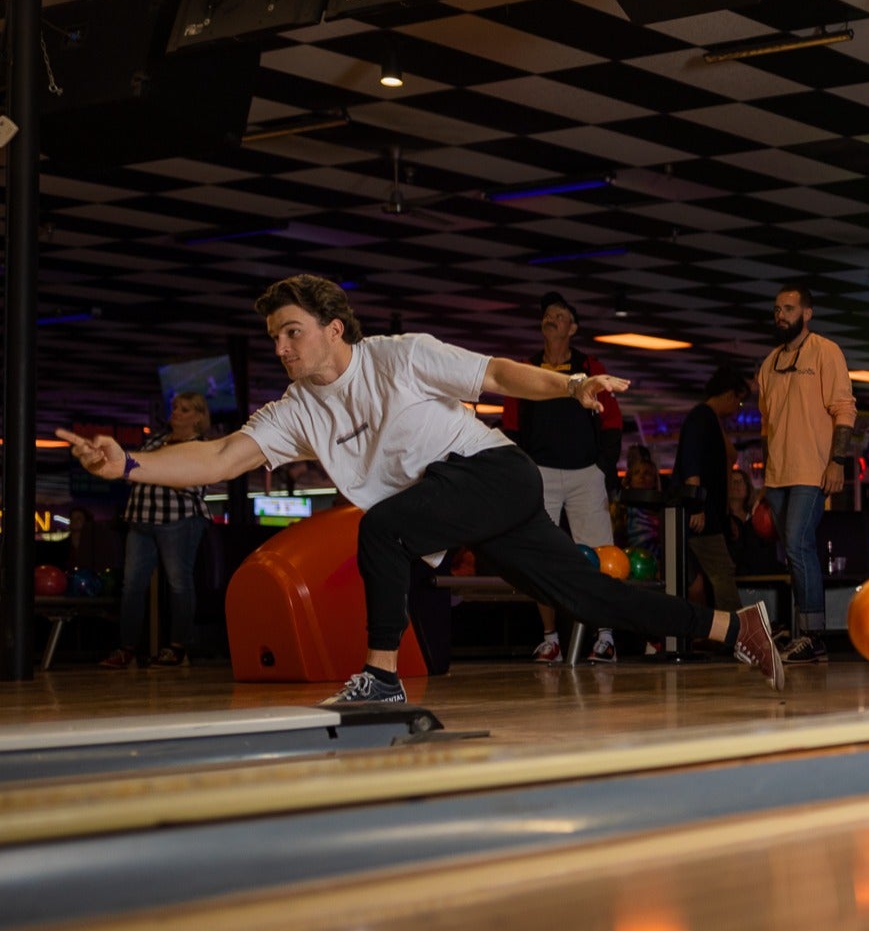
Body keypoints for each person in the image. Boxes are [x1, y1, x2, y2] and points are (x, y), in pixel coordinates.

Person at [58, 274, 782, 703]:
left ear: (334, 329)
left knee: (379, 527)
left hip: (493, 473)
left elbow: (497, 374)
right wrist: (128, 466)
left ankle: (380, 678)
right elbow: (218, 458)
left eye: (291, 333)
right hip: (469, 506)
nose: (280, 348)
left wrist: (570, 383)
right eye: (275, 338)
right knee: (585, 597)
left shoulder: (397, 358)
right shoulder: (294, 411)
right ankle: (734, 629)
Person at [499, 292, 625, 664]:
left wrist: (603, 465)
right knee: (541, 554)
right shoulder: (528, 369)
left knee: (602, 554)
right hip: (540, 473)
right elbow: (511, 426)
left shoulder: (589, 365)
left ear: (572, 328)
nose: (551, 319)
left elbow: (612, 420)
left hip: (586, 472)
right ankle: (550, 638)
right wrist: (524, 472)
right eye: (547, 315)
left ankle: (605, 636)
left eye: (559, 315)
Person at [757, 283, 857, 666]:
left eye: (788, 308)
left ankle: (813, 636)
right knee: (794, 553)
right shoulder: (768, 364)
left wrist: (838, 462)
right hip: (778, 476)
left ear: (807, 313)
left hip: (813, 471)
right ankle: (802, 632)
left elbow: (844, 409)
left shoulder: (825, 352)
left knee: (799, 544)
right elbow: (768, 428)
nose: (780, 315)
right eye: (777, 308)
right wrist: (764, 482)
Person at [99, 391, 212, 670]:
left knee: (178, 582)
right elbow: (132, 472)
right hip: (141, 518)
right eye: (175, 407)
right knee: (131, 585)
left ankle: (178, 647)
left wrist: (152, 469)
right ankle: (127, 648)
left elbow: (192, 483)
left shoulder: (200, 446)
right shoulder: (156, 440)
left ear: (199, 417)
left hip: (178, 520)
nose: (176, 412)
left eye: (185, 409)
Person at [679, 363, 753, 614]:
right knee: (721, 571)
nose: (737, 409)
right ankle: (737, 631)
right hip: (701, 513)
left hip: (708, 512)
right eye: (739, 402)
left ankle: (725, 630)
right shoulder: (702, 417)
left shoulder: (708, 418)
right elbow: (692, 462)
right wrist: (696, 505)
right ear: (731, 394)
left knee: (710, 575)